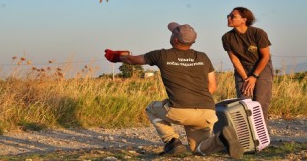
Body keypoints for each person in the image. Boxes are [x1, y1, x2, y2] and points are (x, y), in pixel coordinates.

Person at [104, 22, 244, 159]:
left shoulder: (161, 55)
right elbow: (212, 87)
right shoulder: (203, 57)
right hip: (206, 112)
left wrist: (116, 57)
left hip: (180, 111)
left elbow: (132, 60)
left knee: (151, 108)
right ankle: (221, 139)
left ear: (175, 39)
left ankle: (172, 142)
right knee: (198, 149)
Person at [222, 7, 274, 122]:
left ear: (244, 20)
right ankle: (248, 138)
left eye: (233, 16)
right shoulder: (227, 37)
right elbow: (234, 59)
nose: (229, 18)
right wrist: (246, 79)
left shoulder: (258, 33)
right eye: (228, 16)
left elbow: (265, 57)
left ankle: (261, 138)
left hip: (261, 67)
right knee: (244, 104)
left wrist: (254, 76)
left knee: (260, 104)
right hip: (242, 70)